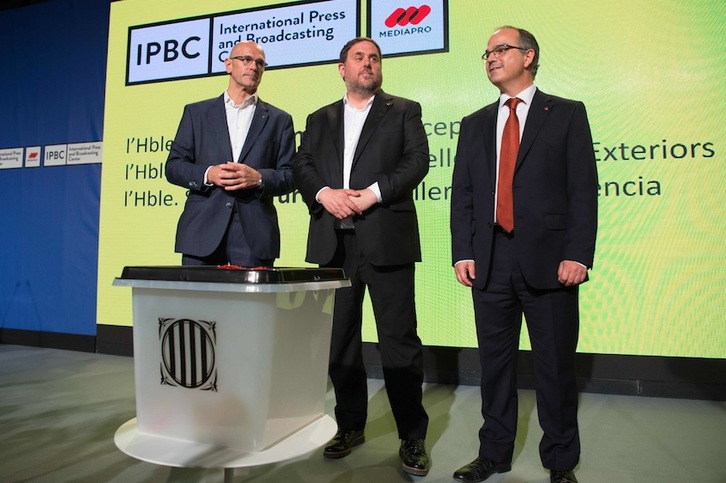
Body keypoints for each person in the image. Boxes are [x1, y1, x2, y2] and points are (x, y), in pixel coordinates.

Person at [450, 26, 598, 483]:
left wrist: (578, 254)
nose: (491, 58)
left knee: (554, 367)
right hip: (489, 259)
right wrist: (462, 251)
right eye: (487, 53)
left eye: (501, 49)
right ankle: (493, 453)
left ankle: (560, 461)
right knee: (495, 367)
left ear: (528, 56)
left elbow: (582, 190)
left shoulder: (567, 113)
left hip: (551, 261)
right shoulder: (474, 123)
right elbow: (463, 194)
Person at [293, 37, 431, 476]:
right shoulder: (319, 118)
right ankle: (350, 425)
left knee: (399, 342)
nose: (368, 63)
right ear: (342, 69)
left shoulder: (403, 110)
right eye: (359, 57)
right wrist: (324, 193)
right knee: (340, 342)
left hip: (387, 241)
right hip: (334, 246)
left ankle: (412, 436)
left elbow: (417, 162)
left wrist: (371, 194)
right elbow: (302, 165)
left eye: (374, 58)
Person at [165, 41, 295, 267]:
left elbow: (291, 175)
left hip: (254, 235)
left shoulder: (279, 119)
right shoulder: (197, 113)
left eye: (260, 63)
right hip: (201, 232)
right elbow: (174, 167)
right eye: (246, 60)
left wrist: (259, 178)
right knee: (198, 292)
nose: (253, 67)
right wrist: (209, 174)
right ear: (228, 65)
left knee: (253, 294)